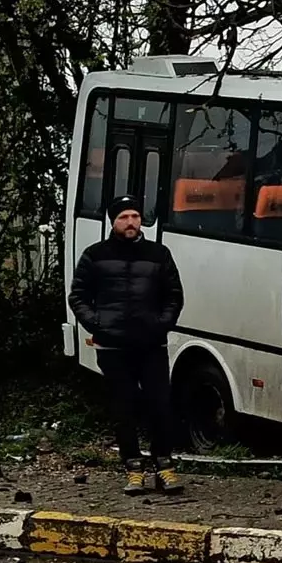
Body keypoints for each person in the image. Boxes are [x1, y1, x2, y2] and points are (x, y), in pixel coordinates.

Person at [68, 196, 185, 496]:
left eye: (135, 216)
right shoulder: (95, 255)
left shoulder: (159, 254)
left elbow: (174, 294)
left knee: (160, 405)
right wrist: (97, 325)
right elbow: (78, 295)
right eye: (124, 217)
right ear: (113, 221)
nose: (131, 222)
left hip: (151, 344)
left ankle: (164, 466)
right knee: (124, 408)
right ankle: (133, 469)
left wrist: (162, 324)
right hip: (113, 347)